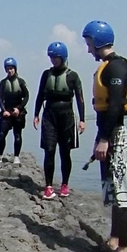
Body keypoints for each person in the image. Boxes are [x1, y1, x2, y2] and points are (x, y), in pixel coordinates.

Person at [83, 20, 127, 252]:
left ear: (97, 40)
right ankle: (114, 240)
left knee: (122, 196)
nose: (88, 49)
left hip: (115, 135)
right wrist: (100, 138)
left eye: (89, 43)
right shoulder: (109, 66)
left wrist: (105, 138)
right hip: (107, 133)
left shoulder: (116, 67)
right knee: (113, 193)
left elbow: (115, 105)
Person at [32, 42, 86, 199]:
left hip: (67, 116)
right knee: (49, 150)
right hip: (49, 115)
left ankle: (64, 185)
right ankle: (48, 186)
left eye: (56, 57)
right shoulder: (46, 74)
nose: (53, 60)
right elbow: (40, 95)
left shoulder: (72, 76)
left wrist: (82, 119)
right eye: (51, 57)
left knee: (65, 151)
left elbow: (80, 99)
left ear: (63, 57)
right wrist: (36, 114)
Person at [0, 57, 29, 164]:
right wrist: (4, 110)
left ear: (15, 69)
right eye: (8, 68)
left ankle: (16, 156)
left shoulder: (20, 82)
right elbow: (0, 97)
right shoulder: (3, 83)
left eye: (11, 68)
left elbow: (26, 96)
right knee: (2, 134)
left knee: (17, 135)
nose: (10, 70)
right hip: (6, 111)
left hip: (18, 112)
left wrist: (19, 109)